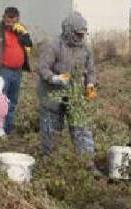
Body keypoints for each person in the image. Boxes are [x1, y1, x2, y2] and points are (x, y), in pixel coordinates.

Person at [38, 12, 99, 170]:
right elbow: (43, 68)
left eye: (83, 34)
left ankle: (88, 163)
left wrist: (90, 85)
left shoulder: (85, 48)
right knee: (51, 130)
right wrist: (54, 78)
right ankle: (50, 163)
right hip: (52, 95)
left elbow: (91, 70)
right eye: (78, 34)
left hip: (75, 94)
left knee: (82, 128)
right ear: (68, 31)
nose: (80, 38)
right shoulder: (53, 46)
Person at [0, 7, 33, 134]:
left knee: (12, 101)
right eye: (7, 21)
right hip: (3, 70)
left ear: (17, 20)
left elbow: (29, 44)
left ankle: (8, 129)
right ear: (3, 17)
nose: (9, 24)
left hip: (18, 71)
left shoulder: (21, 29)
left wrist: (24, 35)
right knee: (0, 101)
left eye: (12, 22)